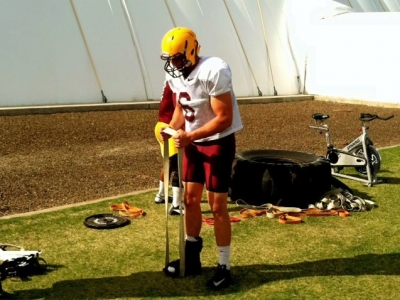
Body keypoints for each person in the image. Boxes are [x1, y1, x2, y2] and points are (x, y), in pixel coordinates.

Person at [159, 27, 243, 290]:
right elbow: (182, 109)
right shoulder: (175, 75)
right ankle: (192, 256)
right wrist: (170, 129)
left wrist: (190, 136)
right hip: (193, 141)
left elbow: (224, 117)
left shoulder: (214, 70)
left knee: (217, 206)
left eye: (177, 59)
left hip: (217, 141)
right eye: (170, 59)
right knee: (189, 199)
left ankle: (224, 265)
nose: (173, 65)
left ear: (192, 51)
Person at [154, 80, 184, 215]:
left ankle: (161, 194)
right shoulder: (178, 83)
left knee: (170, 164)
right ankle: (176, 205)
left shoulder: (169, 82)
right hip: (169, 126)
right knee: (178, 166)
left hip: (161, 125)